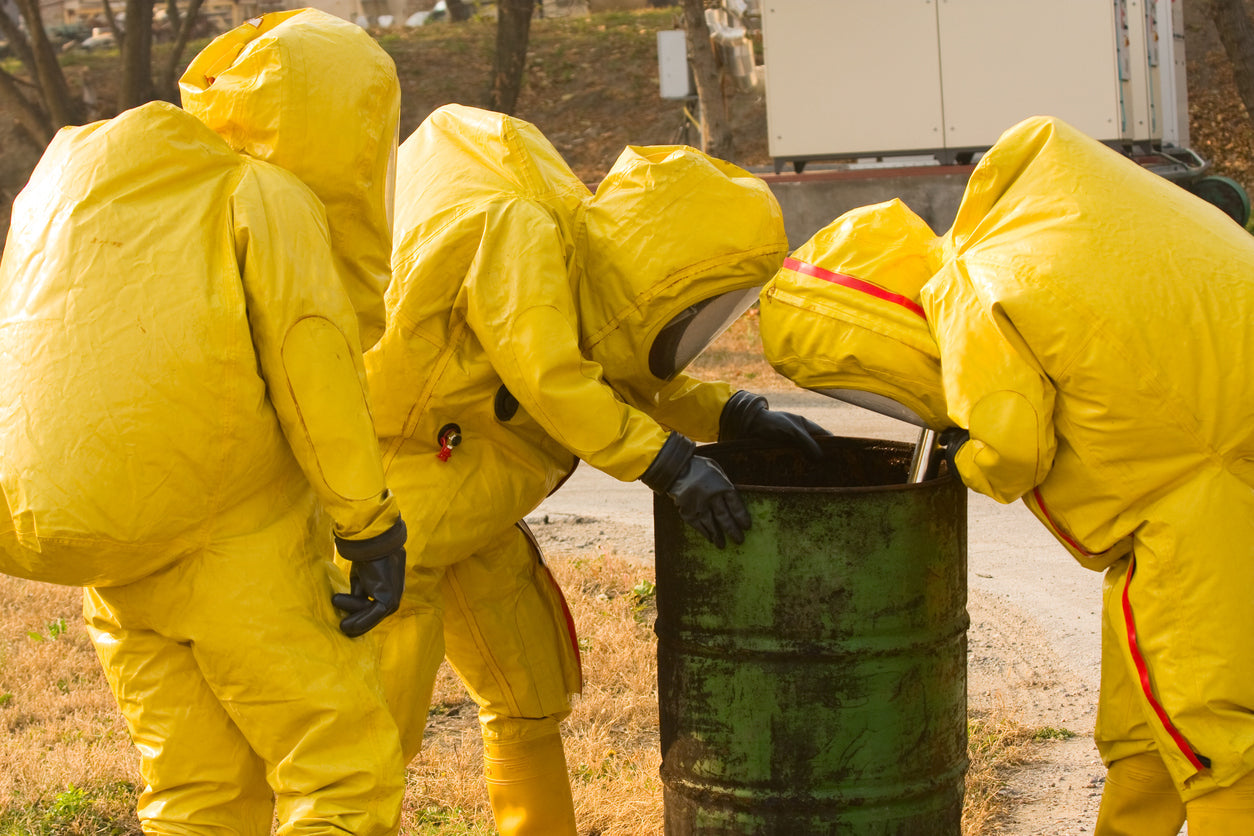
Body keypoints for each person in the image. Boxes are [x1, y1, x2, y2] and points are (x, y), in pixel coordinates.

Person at [757, 114, 1254, 835]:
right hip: (1204, 487)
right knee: (1148, 719)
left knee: (1214, 744)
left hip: (1199, 501)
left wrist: (965, 460)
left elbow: (1013, 440)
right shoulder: (1020, 237)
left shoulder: (966, 286)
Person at [363, 103, 830, 836]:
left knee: (528, 692)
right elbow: (550, 376)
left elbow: (610, 362)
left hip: (473, 506)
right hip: (405, 518)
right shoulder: (519, 230)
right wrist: (668, 464)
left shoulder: (577, 257)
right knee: (367, 731)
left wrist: (732, 414)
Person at [0, 10, 408, 834]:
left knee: (195, 789)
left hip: (106, 549)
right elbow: (311, 373)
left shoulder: (88, 182)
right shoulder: (262, 196)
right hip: (230, 544)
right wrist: (370, 528)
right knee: (341, 771)